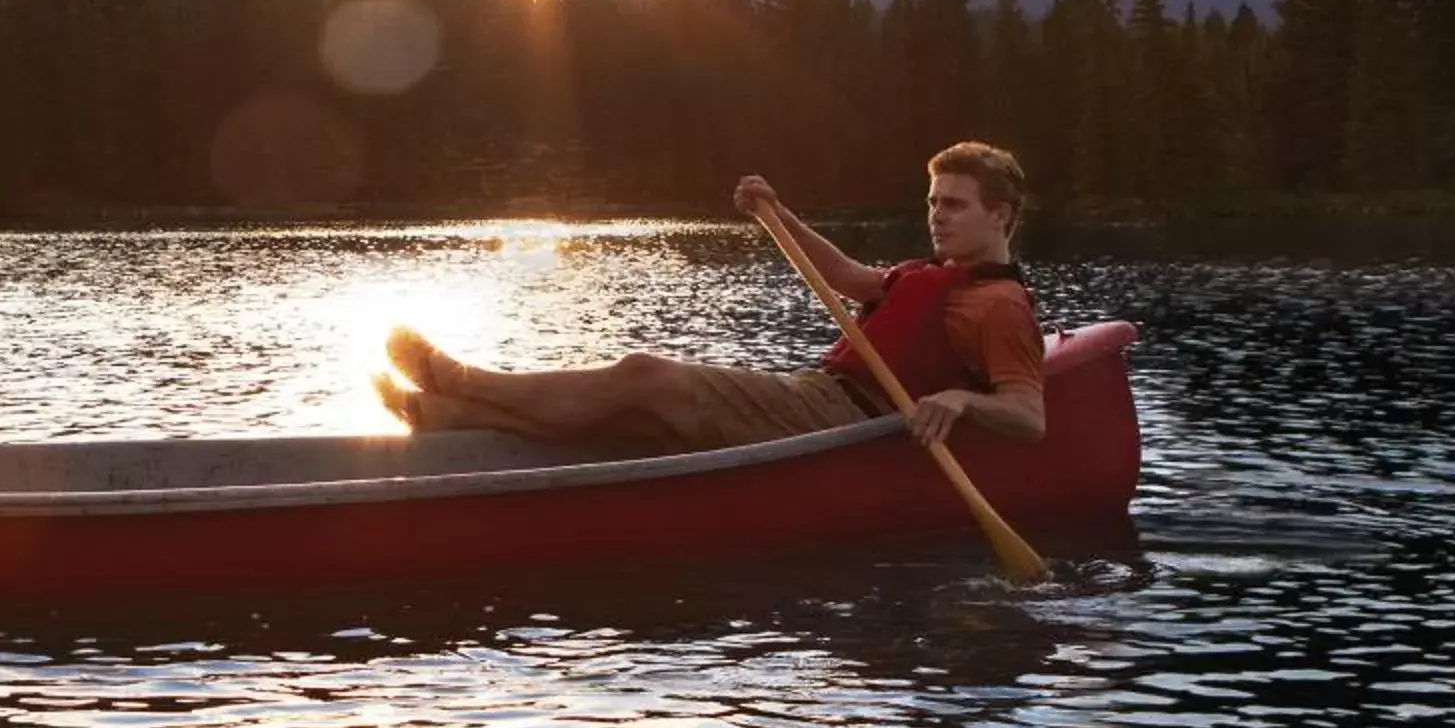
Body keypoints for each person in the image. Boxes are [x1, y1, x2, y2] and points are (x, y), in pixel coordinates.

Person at [379, 141, 1047, 457]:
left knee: (644, 376)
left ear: (1002, 216)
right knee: (636, 422)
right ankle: (447, 416)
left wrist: (961, 400)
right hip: (815, 396)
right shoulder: (927, 272)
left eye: (954, 205)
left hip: (841, 419)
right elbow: (847, 276)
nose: (937, 216)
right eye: (933, 202)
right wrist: (776, 215)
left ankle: (462, 381)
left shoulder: (999, 305)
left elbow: (1027, 414)